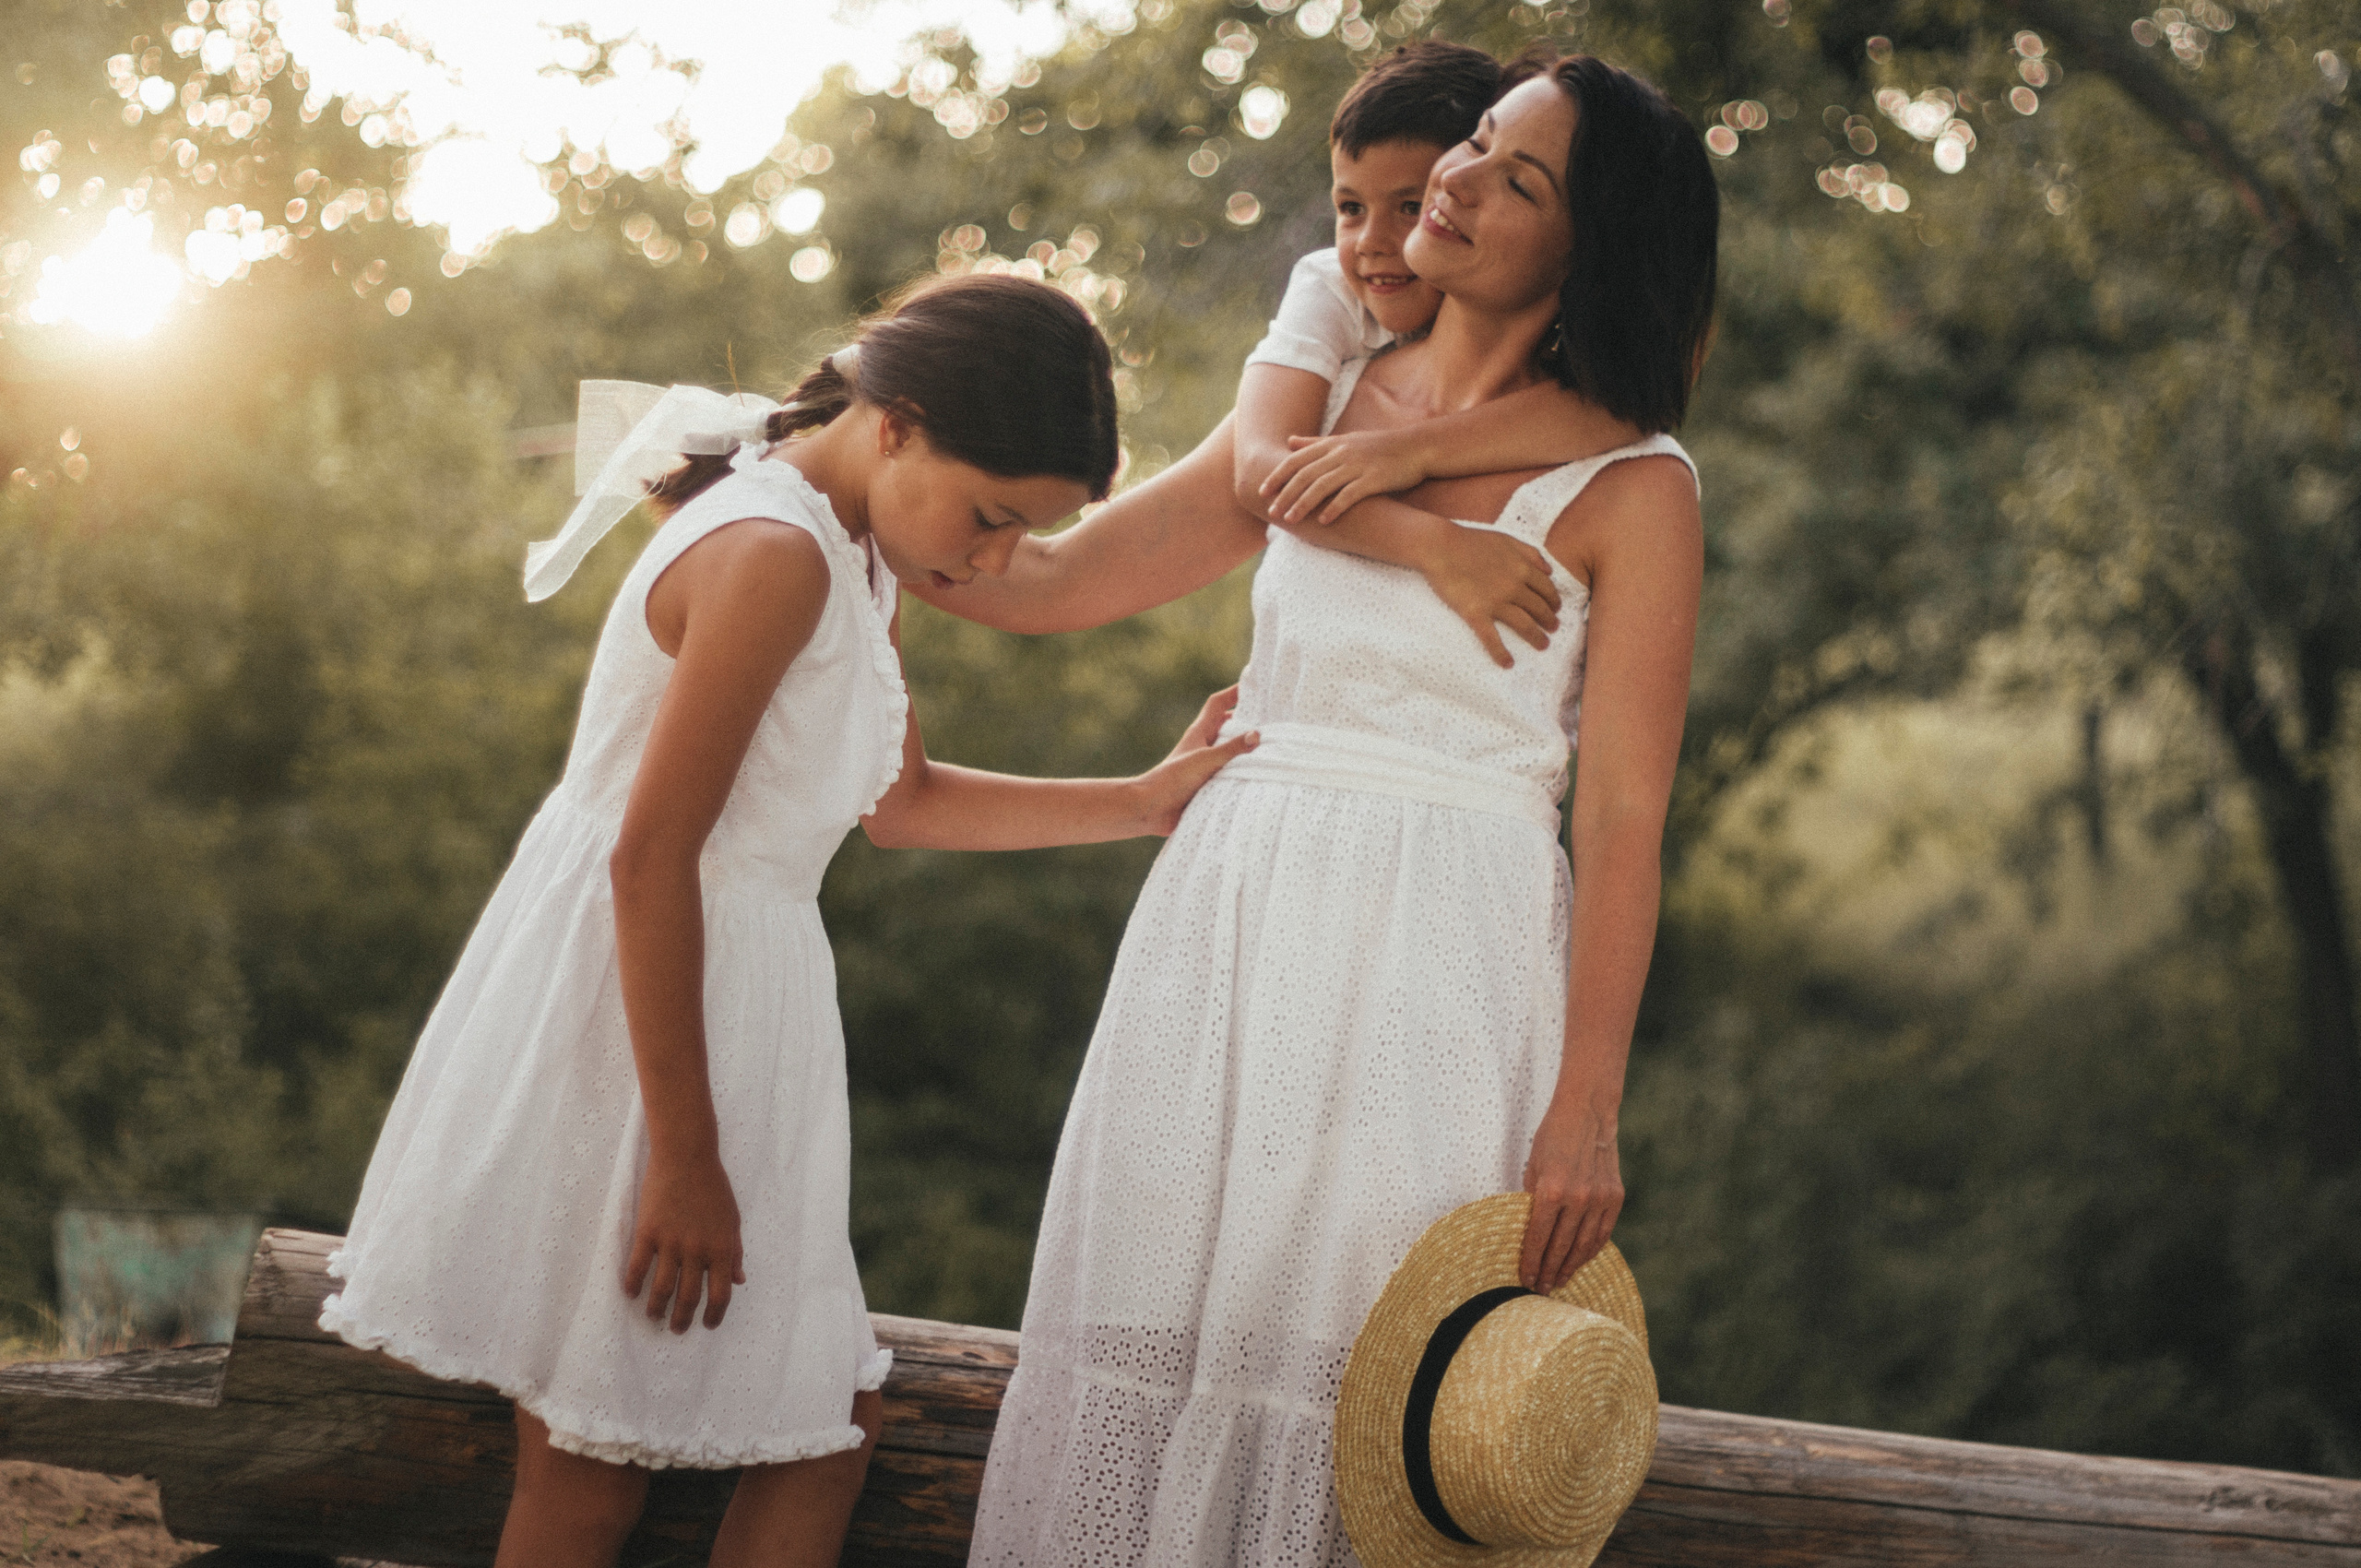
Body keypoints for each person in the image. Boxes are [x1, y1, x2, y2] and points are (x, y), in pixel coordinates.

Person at [315, 275, 1256, 1568]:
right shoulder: (773, 554)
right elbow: (651, 861)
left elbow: (903, 802)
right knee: (605, 1469)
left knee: (817, 1419)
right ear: (898, 423)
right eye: (990, 520)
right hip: (650, 1029)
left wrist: (1145, 802)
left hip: (740, 1013)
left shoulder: (855, 549)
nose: (988, 564)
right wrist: (684, 1161)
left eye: (1017, 540)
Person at [941, 48, 1721, 1566]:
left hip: (1448, 949)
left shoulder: (1638, 489)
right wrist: (831, 475)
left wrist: (1589, 1104)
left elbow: (1624, 813)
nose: (1460, 178)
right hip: (1232, 923)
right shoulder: (1315, 400)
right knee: (1160, 1327)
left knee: (1361, 1374)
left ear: (1587, 245)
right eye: (1480, 140)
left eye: (1521, 176)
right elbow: (1057, 576)